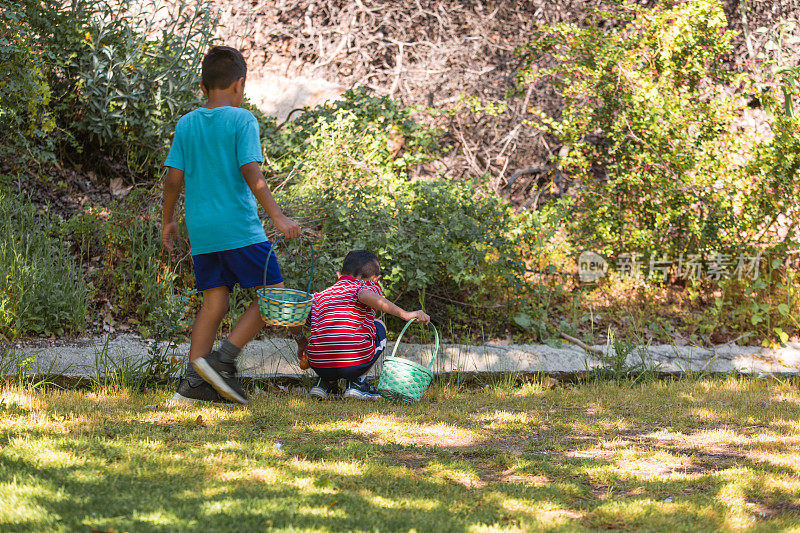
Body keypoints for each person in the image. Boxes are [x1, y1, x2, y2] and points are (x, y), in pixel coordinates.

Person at [161, 45, 303, 405]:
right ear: (240, 85)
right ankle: (222, 361)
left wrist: (168, 221)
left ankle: (193, 384)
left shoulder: (187, 123)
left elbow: (173, 179)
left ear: (201, 86)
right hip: (240, 229)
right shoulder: (243, 120)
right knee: (274, 295)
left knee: (215, 304)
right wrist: (278, 216)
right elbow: (251, 171)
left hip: (203, 232)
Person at [295, 250, 430, 400]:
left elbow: (294, 317)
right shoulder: (367, 286)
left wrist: (301, 342)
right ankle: (357, 384)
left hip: (319, 365)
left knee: (328, 335)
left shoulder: (319, 296)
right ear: (375, 279)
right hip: (353, 364)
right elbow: (364, 294)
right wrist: (405, 314)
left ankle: (324, 383)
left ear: (339, 276)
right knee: (379, 325)